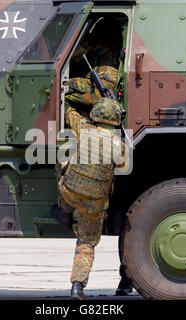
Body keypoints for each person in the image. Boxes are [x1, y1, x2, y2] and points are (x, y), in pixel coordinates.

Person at [52, 96, 127, 299]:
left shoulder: (84, 128)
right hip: (94, 203)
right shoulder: (120, 146)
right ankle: (77, 286)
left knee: (62, 163)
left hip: (70, 193)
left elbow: (69, 113)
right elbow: (121, 167)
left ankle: (63, 211)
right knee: (86, 244)